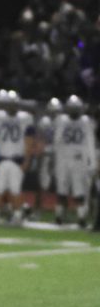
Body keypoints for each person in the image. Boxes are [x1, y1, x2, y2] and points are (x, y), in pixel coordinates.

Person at [0, 88, 35, 223]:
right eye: (9, 104)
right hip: (1, 158)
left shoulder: (26, 118)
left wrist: (27, 160)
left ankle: (17, 215)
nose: (11, 107)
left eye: (14, 104)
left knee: (15, 190)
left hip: (17, 159)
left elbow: (29, 141)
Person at [52, 94, 97, 226]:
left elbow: (90, 143)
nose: (73, 111)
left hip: (78, 159)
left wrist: (92, 162)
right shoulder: (62, 120)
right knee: (61, 189)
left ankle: (81, 218)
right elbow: (57, 141)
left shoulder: (86, 121)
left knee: (79, 190)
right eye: (72, 108)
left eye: (75, 108)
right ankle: (59, 216)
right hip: (63, 158)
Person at [34, 96, 61, 215]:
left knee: (63, 184)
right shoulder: (44, 121)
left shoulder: (63, 121)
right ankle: (38, 208)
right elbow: (40, 138)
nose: (54, 113)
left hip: (60, 155)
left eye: (56, 111)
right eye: (53, 111)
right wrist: (40, 154)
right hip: (46, 154)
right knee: (42, 184)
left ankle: (60, 211)